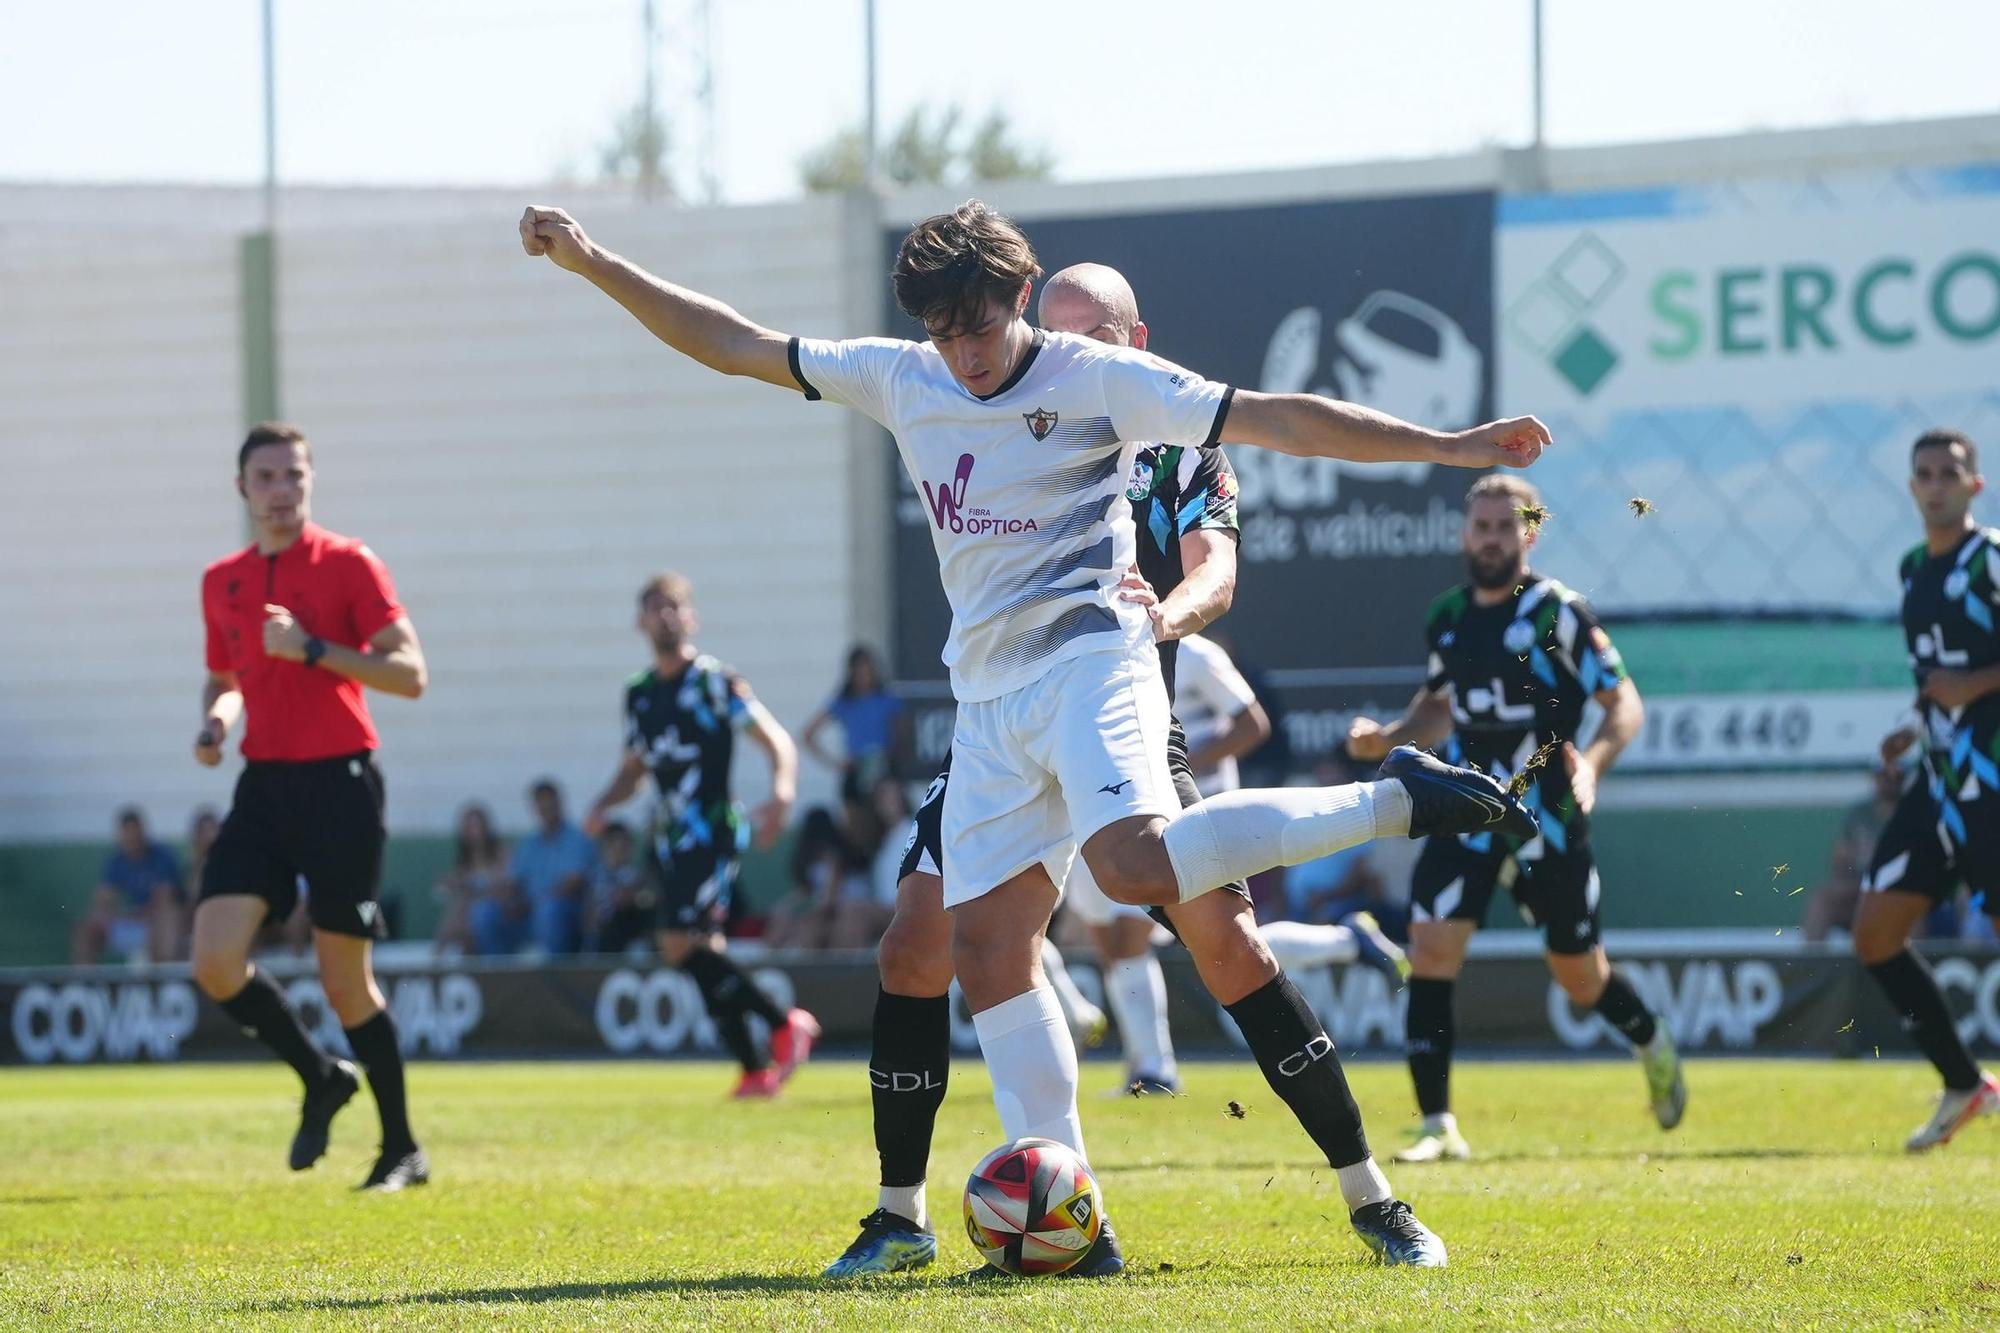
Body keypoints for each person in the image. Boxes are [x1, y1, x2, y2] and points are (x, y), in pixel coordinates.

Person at [522, 199, 1546, 1270]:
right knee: (982, 947)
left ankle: (1392, 803)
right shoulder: (900, 374)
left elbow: (1280, 419)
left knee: (1141, 873)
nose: (961, 355)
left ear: (1019, 298)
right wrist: (592, 261)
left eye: (978, 327)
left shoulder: (1095, 377)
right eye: (942, 332)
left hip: (1093, 662)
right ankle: (1076, 1227)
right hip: (988, 703)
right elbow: (730, 343)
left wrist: (1447, 445)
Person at [1347, 474, 1682, 1165]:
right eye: (1482, 526)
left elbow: (1625, 704)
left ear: (1529, 533)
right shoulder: (1448, 614)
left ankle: (1649, 1036)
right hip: (1468, 805)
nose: (1492, 538)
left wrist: (1590, 762)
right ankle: (1437, 1123)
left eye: (1506, 526)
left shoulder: (1560, 612)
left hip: (1548, 815)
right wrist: (1388, 735)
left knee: (1579, 978)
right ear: (1465, 533)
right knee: (1432, 949)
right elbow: (1441, 704)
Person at [188, 421, 430, 1192]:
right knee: (214, 960)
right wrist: (215, 724)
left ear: (310, 480)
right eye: (266, 477)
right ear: (242, 489)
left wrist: (316, 649)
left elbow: (411, 673)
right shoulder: (219, 578)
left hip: (340, 785)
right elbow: (225, 678)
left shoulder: (348, 562)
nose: (282, 490)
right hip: (263, 785)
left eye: (294, 475)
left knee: (344, 982)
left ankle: (402, 1149)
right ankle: (321, 1076)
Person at [582, 572, 819, 1098]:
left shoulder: (716, 681)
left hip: (708, 830)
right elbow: (633, 770)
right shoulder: (640, 694)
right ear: (640, 621)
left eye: (674, 606)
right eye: (655, 607)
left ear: (691, 617)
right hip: (666, 836)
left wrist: (782, 793)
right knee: (698, 949)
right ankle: (755, 1069)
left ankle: (783, 1022)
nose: (665, 615)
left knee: (676, 943)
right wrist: (603, 802)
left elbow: (777, 741)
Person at [1851, 428, 2000, 1151]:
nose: (1935, 483)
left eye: (1950, 472)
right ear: (1911, 487)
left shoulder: (1990, 560)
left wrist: (1975, 683)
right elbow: (1932, 675)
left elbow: (1966, 674)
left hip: (1993, 778)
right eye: (1924, 473)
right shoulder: (1914, 568)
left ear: (1975, 484)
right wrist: (1913, 725)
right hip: (1938, 781)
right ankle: (1964, 1082)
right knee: (1874, 932)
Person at [1801, 765, 1901, 944]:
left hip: (1899, 894)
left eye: (1895, 776)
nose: (1889, 781)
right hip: (1860, 891)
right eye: (1884, 776)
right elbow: (1840, 857)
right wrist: (1846, 863)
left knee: (1916, 905)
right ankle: (1812, 963)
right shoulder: (1860, 812)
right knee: (1822, 900)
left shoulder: (1913, 811)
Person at [72, 807, 184, 965]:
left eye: (135, 833)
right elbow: (103, 899)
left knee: (167, 916)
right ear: (120, 835)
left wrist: (135, 915)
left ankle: (164, 980)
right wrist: (107, 915)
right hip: (131, 923)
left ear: (143, 832)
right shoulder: (116, 860)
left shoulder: (162, 856)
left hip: (156, 923)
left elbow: (164, 899)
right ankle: (85, 984)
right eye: (127, 834)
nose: (132, 839)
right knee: (85, 928)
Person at [509, 780, 598, 956]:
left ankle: (552, 976)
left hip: (568, 914)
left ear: (559, 803)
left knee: (549, 909)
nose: (546, 808)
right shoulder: (528, 844)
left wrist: (537, 902)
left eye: (550, 802)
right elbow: (514, 883)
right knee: (487, 914)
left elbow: (573, 883)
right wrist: (511, 902)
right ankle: (496, 977)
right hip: (529, 914)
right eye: (541, 803)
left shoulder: (578, 839)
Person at [802, 645, 906, 797]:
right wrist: (835, 763)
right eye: (859, 670)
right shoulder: (844, 701)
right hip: (856, 768)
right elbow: (808, 734)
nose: (864, 675)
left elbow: (902, 734)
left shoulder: (886, 698)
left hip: (884, 768)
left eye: (868, 669)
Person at [432, 803, 510, 958]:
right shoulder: (465, 864)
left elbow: (505, 887)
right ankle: (438, 957)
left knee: (469, 909)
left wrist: (474, 888)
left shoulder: (502, 854)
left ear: (486, 827)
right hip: (469, 919)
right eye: (468, 827)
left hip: (499, 914)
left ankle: (438, 957)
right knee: (459, 907)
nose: (473, 832)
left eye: (476, 826)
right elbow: (442, 887)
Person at [586, 820, 654, 955]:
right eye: (615, 843)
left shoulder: (638, 875)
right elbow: (587, 914)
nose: (620, 849)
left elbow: (649, 898)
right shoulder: (594, 875)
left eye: (625, 844)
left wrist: (633, 897)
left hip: (629, 930)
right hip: (600, 934)